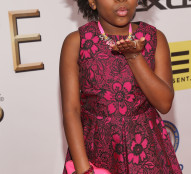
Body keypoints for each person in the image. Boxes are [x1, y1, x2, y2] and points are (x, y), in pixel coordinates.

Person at [59, 0, 182, 173]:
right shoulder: (76, 42)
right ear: (92, 2)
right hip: (96, 151)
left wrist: (134, 57)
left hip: (146, 150)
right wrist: (83, 169)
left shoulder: (154, 38)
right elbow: (71, 110)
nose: (121, 0)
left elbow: (164, 103)